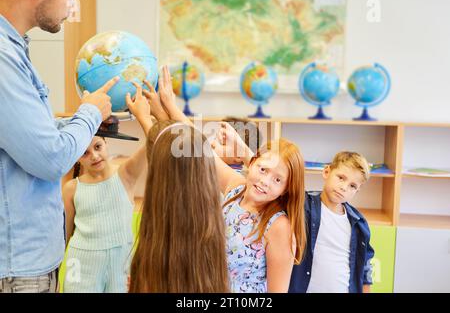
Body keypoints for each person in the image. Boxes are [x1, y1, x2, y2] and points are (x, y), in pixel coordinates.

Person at [0, 0, 118, 292]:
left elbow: (27, 135)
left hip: (28, 263)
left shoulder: (14, 50)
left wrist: (80, 122)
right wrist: (90, 113)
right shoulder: (3, 57)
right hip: (19, 267)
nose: (72, 5)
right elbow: (51, 158)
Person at [154, 66, 307, 293]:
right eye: (263, 170)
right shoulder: (236, 189)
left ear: (286, 189)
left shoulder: (279, 227)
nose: (266, 181)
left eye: (277, 180)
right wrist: (169, 104)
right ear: (251, 163)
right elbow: (199, 146)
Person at [129, 75, 229, 292]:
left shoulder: (155, 248)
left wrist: (150, 119)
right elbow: (188, 151)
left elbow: (172, 156)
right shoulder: (219, 212)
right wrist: (168, 111)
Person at [62, 83, 153, 293]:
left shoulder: (126, 174)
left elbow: (155, 142)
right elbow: (64, 237)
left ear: (107, 144)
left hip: (121, 260)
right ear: (77, 158)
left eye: (98, 147)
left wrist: (143, 116)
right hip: (82, 262)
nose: (93, 156)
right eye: (84, 153)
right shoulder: (71, 188)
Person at [289, 152, 375, 293]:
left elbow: (365, 267)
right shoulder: (303, 205)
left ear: (357, 191)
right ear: (327, 172)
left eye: (352, 186)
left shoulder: (359, 223)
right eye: (341, 178)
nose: (344, 187)